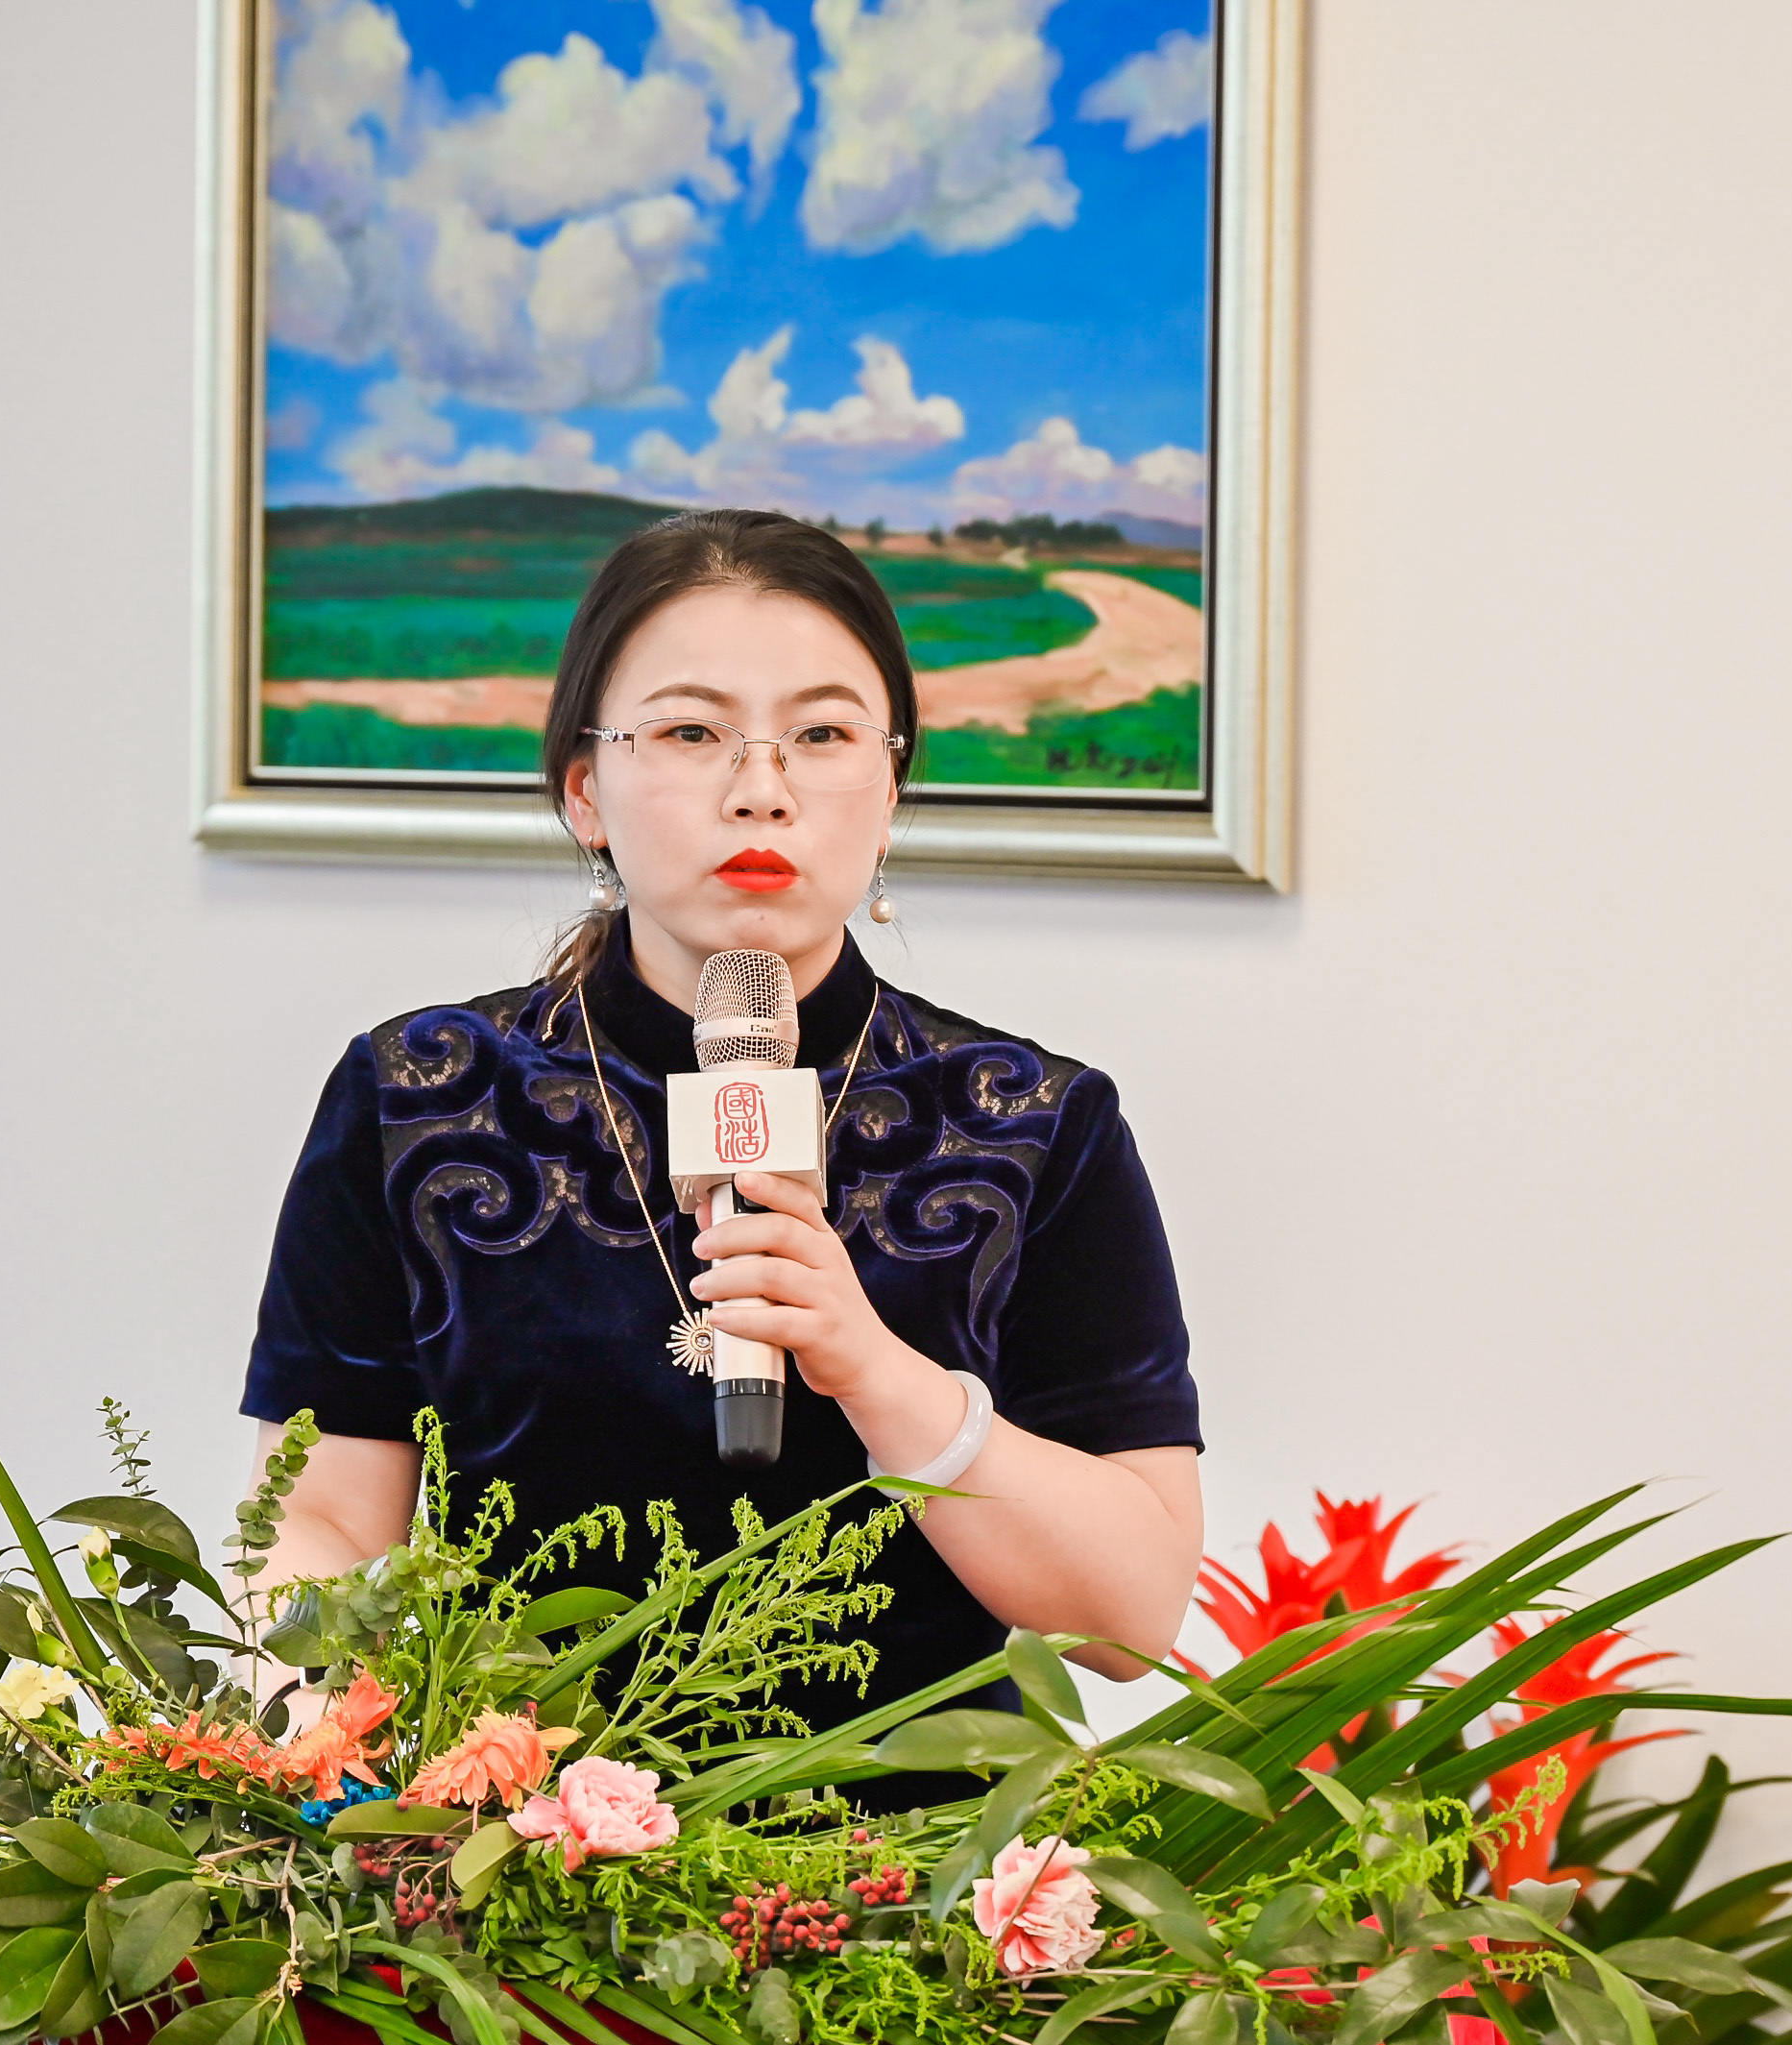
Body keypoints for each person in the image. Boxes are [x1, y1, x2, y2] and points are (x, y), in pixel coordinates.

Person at [237, 510, 1200, 1761]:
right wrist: (319, 1758)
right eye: (692, 732)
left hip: (925, 1860)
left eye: (823, 734)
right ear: (585, 788)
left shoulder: (1031, 1121)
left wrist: (876, 1370)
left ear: (892, 788)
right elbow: (318, 1525)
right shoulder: (419, 1095)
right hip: (514, 1843)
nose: (761, 788)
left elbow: (1132, 1619)